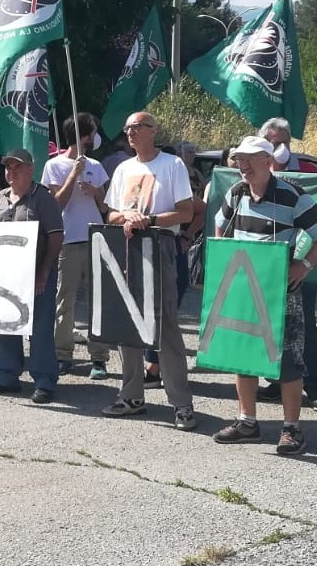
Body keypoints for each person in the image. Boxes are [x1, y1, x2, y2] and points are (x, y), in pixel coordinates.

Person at [207, 136, 317, 453]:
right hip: (243, 289)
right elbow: (219, 224)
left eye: (249, 159)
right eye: (239, 160)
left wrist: (303, 266)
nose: (243, 165)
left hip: (281, 292)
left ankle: (292, 428)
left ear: (268, 161)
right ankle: (247, 422)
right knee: (243, 355)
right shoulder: (236, 192)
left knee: (289, 362)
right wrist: (227, 259)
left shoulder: (291, 196)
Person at [98, 111, 199, 429]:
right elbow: (110, 213)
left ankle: (181, 403)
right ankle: (131, 396)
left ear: (153, 131)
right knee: (128, 323)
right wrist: (126, 218)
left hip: (159, 247)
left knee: (166, 325)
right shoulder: (123, 169)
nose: (129, 132)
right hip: (126, 248)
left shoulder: (172, 165)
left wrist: (149, 220)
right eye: (127, 127)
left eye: (136, 127)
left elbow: (185, 211)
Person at [0, 149, 66, 403]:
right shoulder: (0, 198)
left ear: (30, 169)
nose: (11, 172)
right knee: (5, 323)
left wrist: (45, 272)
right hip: (4, 276)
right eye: (8, 168)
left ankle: (45, 380)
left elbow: (56, 237)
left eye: (17, 167)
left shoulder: (43, 198)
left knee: (40, 328)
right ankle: (7, 375)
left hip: (36, 275)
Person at [43, 113, 109, 377]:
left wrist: (97, 192)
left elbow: (106, 206)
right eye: (91, 132)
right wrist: (73, 174)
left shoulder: (96, 165)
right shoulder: (54, 165)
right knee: (64, 300)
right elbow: (56, 203)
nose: (94, 137)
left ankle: (99, 357)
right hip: (67, 240)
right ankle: (62, 354)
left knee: (98, 301)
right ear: (83, 135)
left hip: (95, 238)